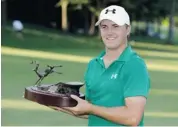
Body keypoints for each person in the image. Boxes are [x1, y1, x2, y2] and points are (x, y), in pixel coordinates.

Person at [50, 5, 150, 126]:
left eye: (115, 26)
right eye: (104, 27)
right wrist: (62, 104)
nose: (109, 32)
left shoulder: (134, 65)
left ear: (127, 29)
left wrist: (90, 108)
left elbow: (133, 118)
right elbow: (93, 110)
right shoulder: (93, 64)